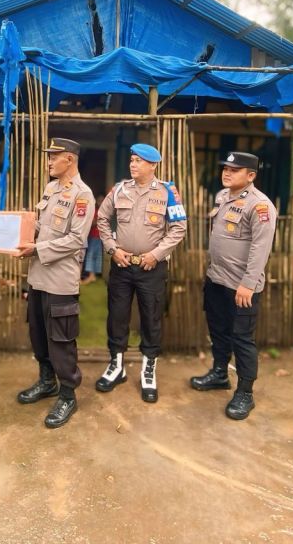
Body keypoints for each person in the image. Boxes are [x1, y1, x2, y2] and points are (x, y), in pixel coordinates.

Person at [95, 144, 187, 403]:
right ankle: (117, 365)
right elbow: (102, 219)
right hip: (122, 265)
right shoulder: (120, 189)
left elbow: (179, 228)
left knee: (151, 318)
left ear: (153, 165)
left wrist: (156, 254)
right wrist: (112, 249)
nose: (132, 165)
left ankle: (149, 370)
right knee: (117, 316)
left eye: (138, 161)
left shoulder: (168, 191)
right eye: (132, 160)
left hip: (152, 268)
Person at [189, 151, 277, 421]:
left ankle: (245, 392)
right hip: (217, 279)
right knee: (218, 331)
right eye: (225, 168)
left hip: (241, 287)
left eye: (234, 170)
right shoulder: (222, 196)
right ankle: (219, 373)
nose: (227, 173)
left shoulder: (261, 206)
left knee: (242, 339)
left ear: (250, 176)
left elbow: (261, 249)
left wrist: (248, 285)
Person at [15, 138, 94, 428]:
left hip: (60, 280)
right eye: (49, 156)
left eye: (54, 156)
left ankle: (68, 394)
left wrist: (36, 249)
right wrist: (22, 229)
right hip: (37, 276)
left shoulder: (83, 195)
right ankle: (46, 381)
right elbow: (42, 227)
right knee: (38, 333)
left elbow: (76, 240)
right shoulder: (51, 189)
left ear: (69, 160)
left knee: (61, 339)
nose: (49, 161)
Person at [80, 195, 104, 285]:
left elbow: (94, 222)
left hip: (96, 237)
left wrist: (88, 221)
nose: (100, 203)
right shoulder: (95, 211)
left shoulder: (99, 212)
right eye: (99, 201)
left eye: (102, 201)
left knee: (92, 255)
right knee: (93, 255)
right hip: (93, 236)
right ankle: (92, 275)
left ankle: (91, 276)